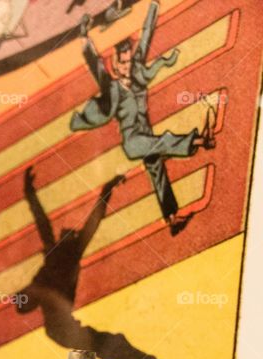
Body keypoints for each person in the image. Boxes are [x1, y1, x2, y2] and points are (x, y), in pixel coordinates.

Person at [70, 1, 216, 236]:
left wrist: (154, 7)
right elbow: (93, 62)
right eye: (123, 62)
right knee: (164, 141)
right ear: (115, 62)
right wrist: (84, 36)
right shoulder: (111, 86)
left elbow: (147, 34)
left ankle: (171, 218)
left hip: (145, 137)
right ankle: (198, 140)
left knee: (158, 174)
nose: (127, 66)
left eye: (129, 61)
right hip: (133, 143)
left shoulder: (137, 69)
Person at [16, 167, 161, 359]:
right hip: (58, 322)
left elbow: (92, 217)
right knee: (97, 343)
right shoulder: (63, 251)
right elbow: (46, 220)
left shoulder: (65, 251)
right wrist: (29, 194)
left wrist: (107, 189)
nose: (68, 232)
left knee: (97, 343)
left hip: (58, 323)